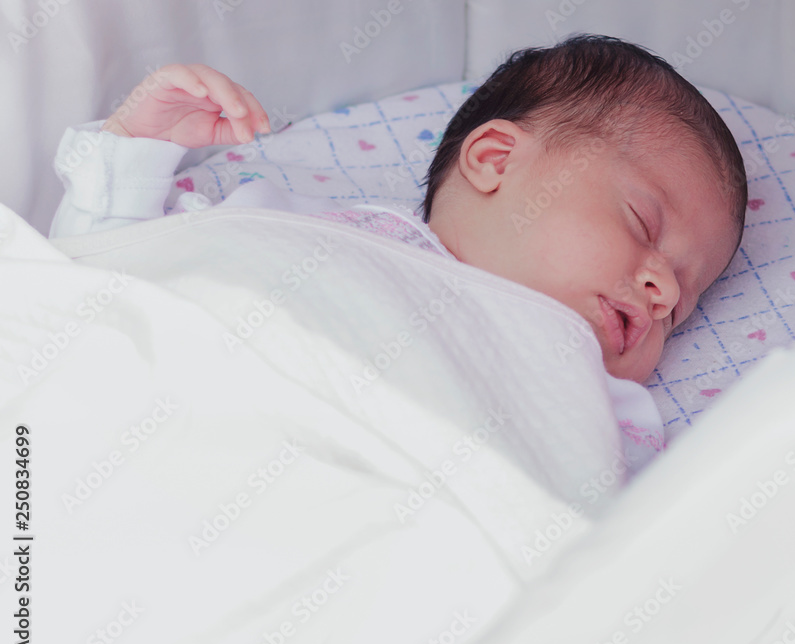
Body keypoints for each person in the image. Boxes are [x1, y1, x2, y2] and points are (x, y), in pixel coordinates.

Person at [50, 35, 745, 446]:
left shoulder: (607, 406)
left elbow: (622, 547)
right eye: (642, 225)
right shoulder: (309, 231)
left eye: (680, 304)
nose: (661, 291)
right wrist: (132, 156)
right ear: (497, 160)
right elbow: (103, 289)